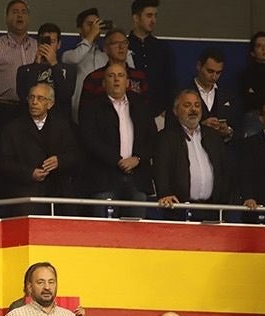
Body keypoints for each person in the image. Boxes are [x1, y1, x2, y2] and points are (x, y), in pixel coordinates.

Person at [78, 63, 157, 214]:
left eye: (120, 76)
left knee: (136, 230)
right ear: (103, 83)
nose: (116, 80)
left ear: (128, 82)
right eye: (111, 76)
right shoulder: (92, 107)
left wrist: (138, 158)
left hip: (137, 178)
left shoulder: (140, 105)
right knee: (104, 232)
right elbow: (89, 139)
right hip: (104, 179)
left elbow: (152, 138)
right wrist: (117, 160)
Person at [0, 82, 80, 213]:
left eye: (40, 98)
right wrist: (29, 173)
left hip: (59, 193)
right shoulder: (13, 129)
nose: (34, 102)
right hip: (27, 195)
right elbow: (4, 163)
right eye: (31, 97)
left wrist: (60, 161)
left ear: (50, 104)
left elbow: (76, 155)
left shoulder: (63, 126)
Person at [155, 90, 230, 219]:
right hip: (179, 209)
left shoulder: (213, 136)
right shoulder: (166, 137)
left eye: (197, 105)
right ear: (175, 111)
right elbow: (160, 168)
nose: (193, 109)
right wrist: (165, 193)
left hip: (212, 209)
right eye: (187, 105)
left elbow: (225, 170)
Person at [0, 0, 37, 126]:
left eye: (23, 12)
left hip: (34, 109)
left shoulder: (37, 47)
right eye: (15, 12)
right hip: (4, 111)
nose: (20, 15)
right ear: (6, 18)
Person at [63, 8, 128, 122]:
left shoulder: (105, 55)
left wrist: (114, 37)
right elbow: (74, 59)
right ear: (80, 29)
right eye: (89, 24)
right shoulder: (69, 54)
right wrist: (91, 36)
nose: (95, 28)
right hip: (78, 111)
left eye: (97, 24)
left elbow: (125, 65)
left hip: (105, 112)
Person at [128, 0, 175, 118]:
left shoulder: (163, 48)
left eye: (155, 16)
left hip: (159, 115)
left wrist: (167, 110)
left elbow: (171, 81)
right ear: (136, 18)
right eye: (149, 15)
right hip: (130, 113)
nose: (153, 20)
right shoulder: (124, 46)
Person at [78, 29, 149, 108]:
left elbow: (146, 108)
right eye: (116, 43)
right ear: (106, 49)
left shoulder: (139, 76)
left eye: (124, 43)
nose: (121, 47)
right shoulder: (94, 78)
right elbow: (85, 112)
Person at [16, 23, 75, 118]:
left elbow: (65, 96)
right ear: (38, 43)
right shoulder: (24, 70)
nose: (48, 46)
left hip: (58, 122)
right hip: (30, 122)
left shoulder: (68, 70)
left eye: (52, 42)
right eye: (44, 42)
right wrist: (36, 65)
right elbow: (24, 96)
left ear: (59, 45)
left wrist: (54, 65)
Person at [239, 100, 265, 223]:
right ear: (261, 118)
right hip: (262, 205)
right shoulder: (250, 144)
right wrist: (249, 197)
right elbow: (245, 173)